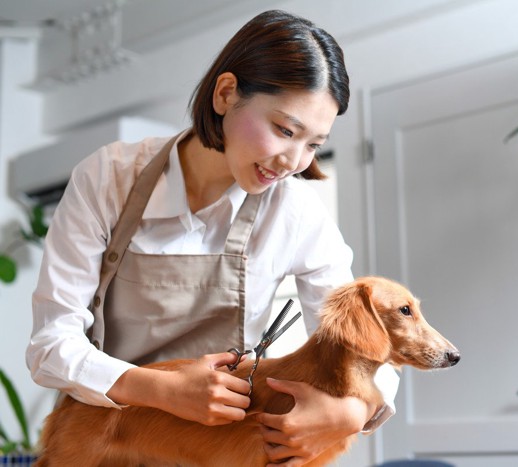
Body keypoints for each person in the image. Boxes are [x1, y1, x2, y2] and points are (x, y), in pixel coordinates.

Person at [26, 9, 398, 466]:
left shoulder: (297, 211)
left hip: (217, 451)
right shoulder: (109, 179)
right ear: (225, 94)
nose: (293, 161)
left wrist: (350, 411)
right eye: (285, 130)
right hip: (106, 439)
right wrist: (161, 389)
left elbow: (360, 339)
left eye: (314, 144)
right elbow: (50, 346)